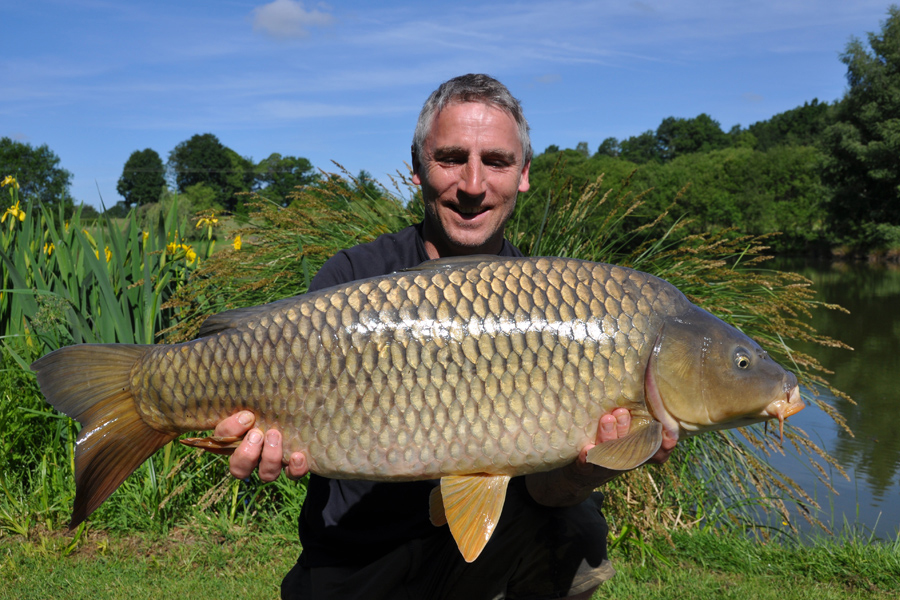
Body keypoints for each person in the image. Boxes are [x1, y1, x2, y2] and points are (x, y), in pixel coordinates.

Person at [214, 74, 677, 599]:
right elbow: (280, 432)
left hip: (486, 552)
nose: (474, 184)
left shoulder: (548, 303)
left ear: (524, 174)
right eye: (452, 158)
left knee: (577, 527)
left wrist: (591, 469)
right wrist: (257, 437)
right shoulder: (351, 279)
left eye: (497, 161)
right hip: (360, 556)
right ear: (416, 169)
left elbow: (548, 493)